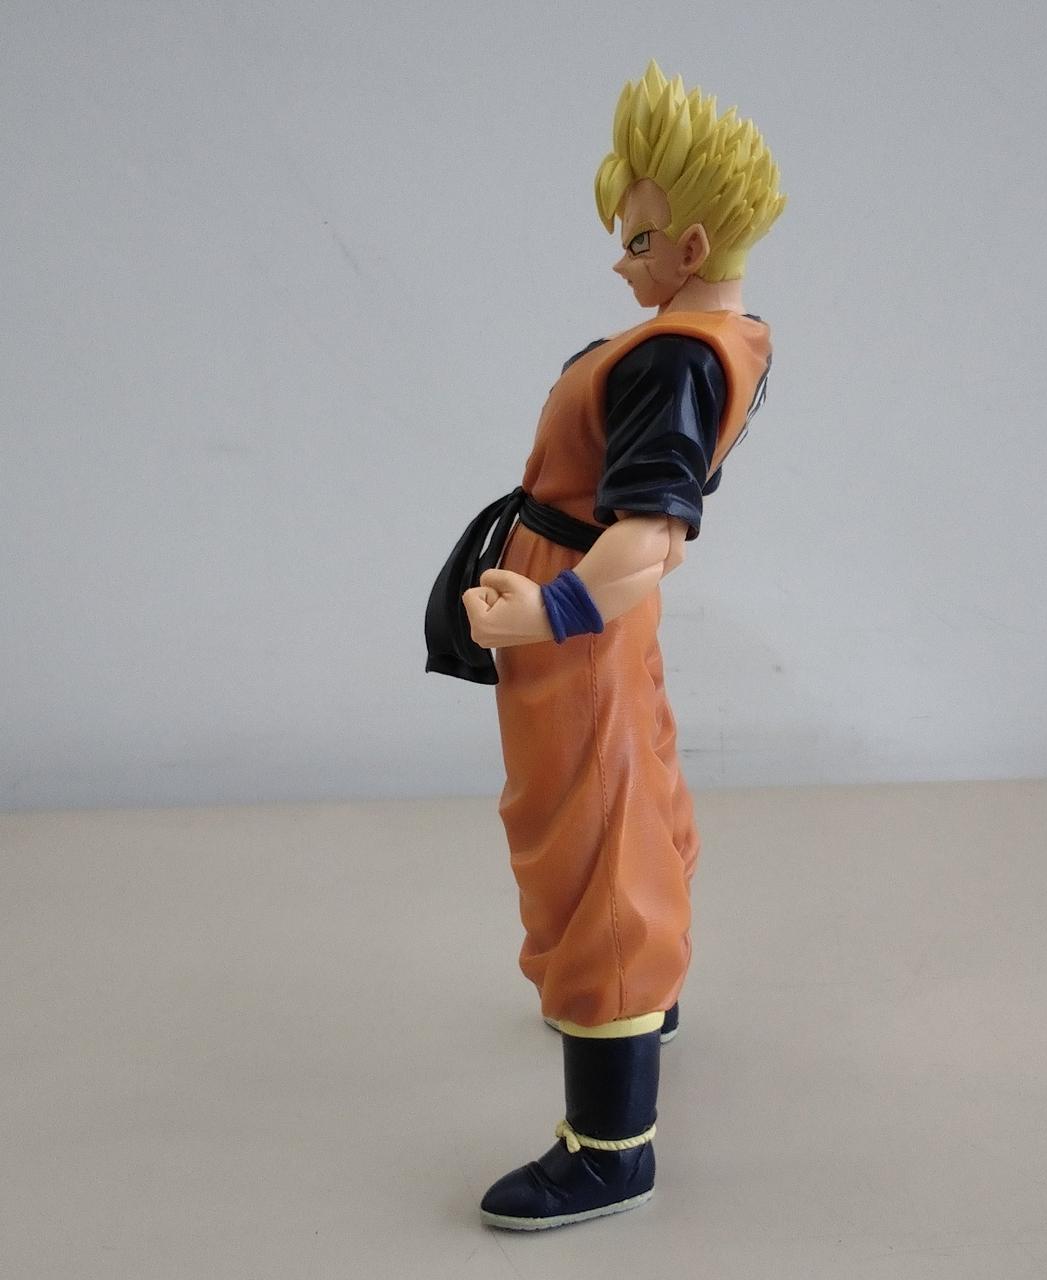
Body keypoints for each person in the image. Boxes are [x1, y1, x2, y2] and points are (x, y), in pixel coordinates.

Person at [424, 59, 785, 1230]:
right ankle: (644, 1008)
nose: (620, 261)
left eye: (634, 239)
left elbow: (648, 531)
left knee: (593, 844)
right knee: (635, 788)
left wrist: (548, 612)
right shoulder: (716, 334)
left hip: (579, 608)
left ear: (689, 242)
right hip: (587, 606)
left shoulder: (677, 356)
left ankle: (608, 1142)